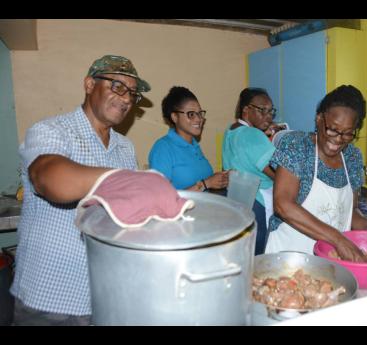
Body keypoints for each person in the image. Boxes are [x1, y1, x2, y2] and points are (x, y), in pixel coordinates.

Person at [10, 55, 151, 325]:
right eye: (117, 86)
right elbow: (49, 179)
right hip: (51, 298)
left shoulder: (125, 147)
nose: (126, 99)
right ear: (89, 84)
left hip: (104, 295)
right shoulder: (51, 131)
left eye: (132, 94)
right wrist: (127, 181)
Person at [265, 85, 367, 262]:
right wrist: (338, 240)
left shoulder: (352, 157)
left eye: (347, 134)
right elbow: (283, 205)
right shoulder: (297, 146)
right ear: (318, 119)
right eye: (332, 129)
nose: (338, 139)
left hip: (331, 261)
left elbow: (349, 212)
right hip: (288, 258)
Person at [222, 87, 277, 255]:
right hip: (259, 201)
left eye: (270, 111)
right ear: (246, 110)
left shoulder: (231, 130)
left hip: (237, 199)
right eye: (262, 111)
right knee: (260, 254)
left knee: (244, 253)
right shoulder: (253, 135)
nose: (268, 116)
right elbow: (277, 172)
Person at [148, 86, 229, 192]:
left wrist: (219, 179)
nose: (199, 119)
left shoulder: (194, 145)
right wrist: (206, 183)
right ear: (175, 117)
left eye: (200, 113)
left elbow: (202, 181)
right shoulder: (163, 148)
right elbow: (160, 198)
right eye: (191, 114)